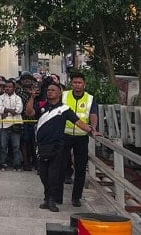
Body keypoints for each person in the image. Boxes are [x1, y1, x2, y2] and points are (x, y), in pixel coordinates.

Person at [26, 81, 100, 212]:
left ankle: (52, 200)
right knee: (43, 174)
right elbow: (29, 113)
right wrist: (31, 97)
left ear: (59, 93)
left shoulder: (65, 109)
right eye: (48, 90)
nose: (50, 92)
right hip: (42, 146)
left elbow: (79, 122)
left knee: (53, 174)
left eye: (53, 90)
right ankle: (47, 196)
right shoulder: (41, 105)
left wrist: (92, 130)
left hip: (57, 146)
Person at [62, 72, 99, 207]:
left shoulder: (90, 98)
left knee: (81, 168)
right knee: (60, 164)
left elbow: (93, 114)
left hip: (81, 137)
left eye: (79, 82)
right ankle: (57, 195)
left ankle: (76, 197)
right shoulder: (64, 95)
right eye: (75, 82)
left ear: (84, 84)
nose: (77, 85)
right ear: (71, 84)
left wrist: (93, 129)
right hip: (64, 135)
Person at [0, 79, 23, 170]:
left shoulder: (18, 98)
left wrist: (6, 111)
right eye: (6, 87)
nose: (7, 88)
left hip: (16, 125)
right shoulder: (0, 98)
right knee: (3, 146)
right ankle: (2, 164)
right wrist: (11, 111)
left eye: (10, 87)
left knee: (16, 146)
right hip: (4, 125)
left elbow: (18, 110)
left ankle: (17, 165)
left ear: (14, 88)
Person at [16, 72, 39, 170]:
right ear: (21, 81)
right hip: (24, 120)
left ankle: (36, 162)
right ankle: (26, 163)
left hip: (36, 120)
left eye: (29, 78)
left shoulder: (37, 91)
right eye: (25, 79)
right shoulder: (19, 92)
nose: (27, 80)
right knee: (25, 142)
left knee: (35, 143)